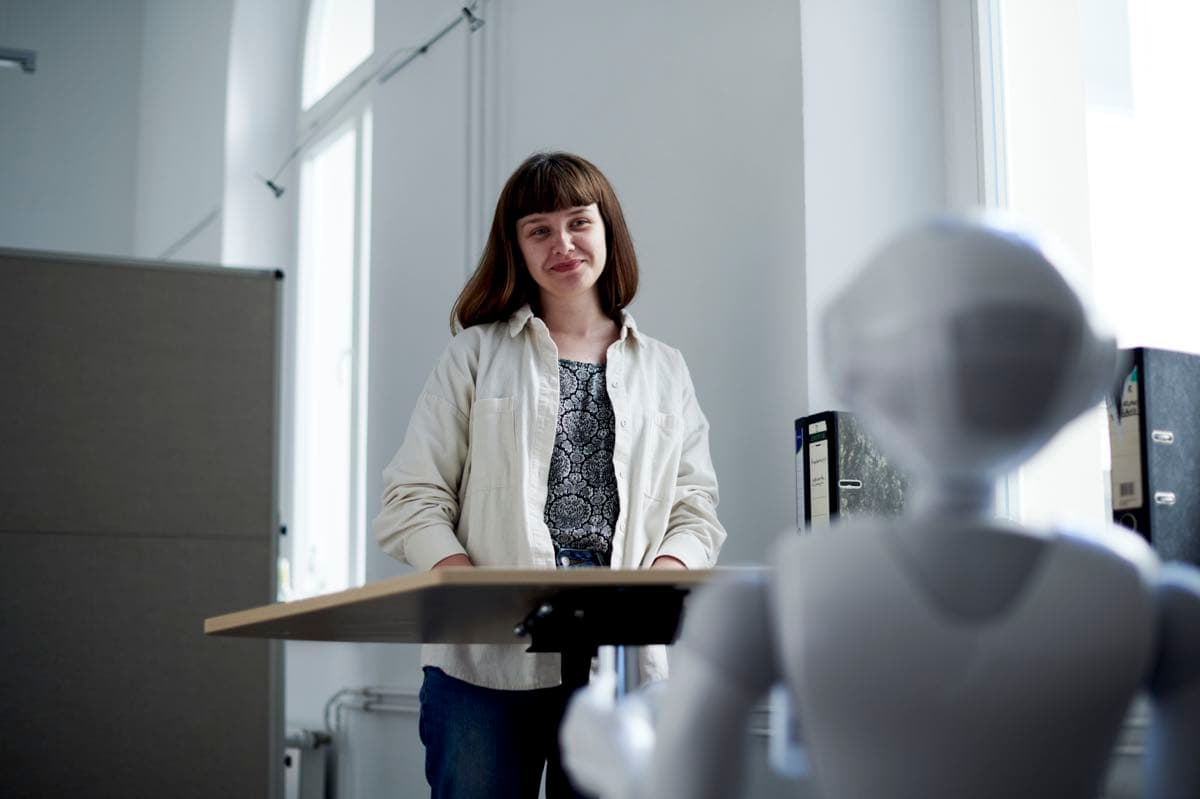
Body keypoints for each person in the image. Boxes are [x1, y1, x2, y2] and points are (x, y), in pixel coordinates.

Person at [559, 214, 1200, 799]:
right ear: (1086, 382)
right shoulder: (1150, 601)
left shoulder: (770, 601)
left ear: (851, 370)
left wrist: (615, 753)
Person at [372, 151, 727, 799]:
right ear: (516, 247)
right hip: (484, 663)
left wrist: (662, 580)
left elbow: (696, 507)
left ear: (607, 230)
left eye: (578, 222)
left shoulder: (665, 370)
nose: (561, 243)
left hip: (618, 664)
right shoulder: (473, 356)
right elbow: (411, 498)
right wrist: (468, 584)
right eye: (538, 229)